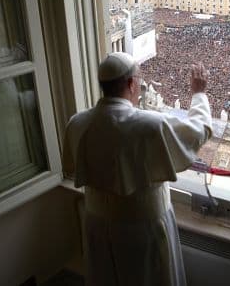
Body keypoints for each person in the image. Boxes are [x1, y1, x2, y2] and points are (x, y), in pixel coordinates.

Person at [63, 52, 212, 286]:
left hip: (96, 226)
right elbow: (198, 132)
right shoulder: (151, 125)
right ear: (132, 83)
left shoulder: (76, 123)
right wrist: (199, 93)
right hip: (143, 232)